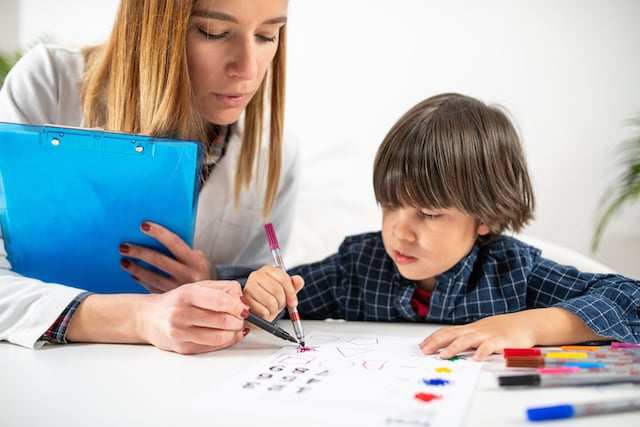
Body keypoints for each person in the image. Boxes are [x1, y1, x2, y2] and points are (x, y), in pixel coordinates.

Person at [242, 92, 640, 361]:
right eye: (390, 204)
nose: (401, 230)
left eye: (429, 214)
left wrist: (530, 324)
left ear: (486, 217)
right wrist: (264, 294)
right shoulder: (358, 267)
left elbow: (630, 299)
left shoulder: (515, 274)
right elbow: (277, 298)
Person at [0, 0, 297, 354]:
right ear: (152, 26)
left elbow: (259, 305)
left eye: (267, 35)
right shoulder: (50, 82)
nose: (247, 69)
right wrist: (141, 317)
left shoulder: (274, 154)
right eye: (213, 32)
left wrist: (219, 284)